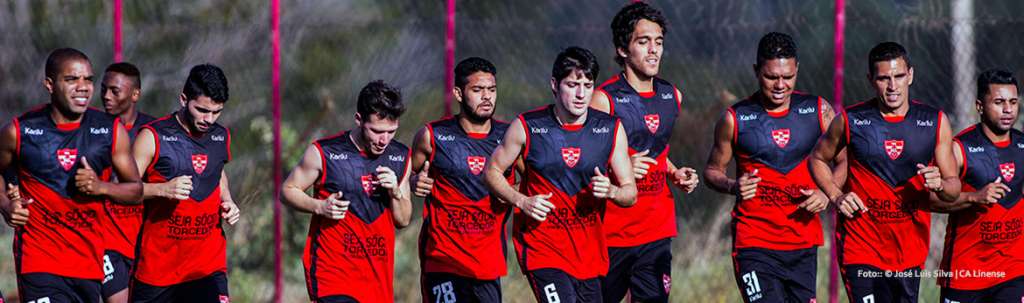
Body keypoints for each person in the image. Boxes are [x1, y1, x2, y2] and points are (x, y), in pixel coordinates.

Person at [808, 41, 960, 302]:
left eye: (898, 76)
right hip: (861, 247)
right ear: (871, 80)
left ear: (910, 75)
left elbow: (953, 188)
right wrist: (835, 195)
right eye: (883, 79)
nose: (892, 86)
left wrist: (941, 185)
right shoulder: (851, 120)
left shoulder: (934, 122)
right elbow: (818, 158)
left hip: (909, 251)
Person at [484, 46, 637, 303]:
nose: (581, 94)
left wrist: (612, 191)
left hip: (589, 255)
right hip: (543, 250)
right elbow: (491, 171)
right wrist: (522, 201)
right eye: (573, 85)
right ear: (555, 85)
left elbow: (630, 193)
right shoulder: (528, 126)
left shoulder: (610, 129)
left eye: (587, 85)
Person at [703, 32, 838, 303]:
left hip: (803, 243)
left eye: (788, 77)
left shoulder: (818, 111)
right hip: (754, 243)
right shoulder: (735, 119)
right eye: (771, 77)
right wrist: (732, 185)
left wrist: (827, 193)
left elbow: (845, 162)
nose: (780, 85)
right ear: (756, 71)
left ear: (797, 69)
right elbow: (712, 171)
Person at [0, 48, 143, 303]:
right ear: (49, 84)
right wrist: (5, 204)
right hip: (39, 261)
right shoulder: (20, 131)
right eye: (71, 79)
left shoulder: (109, 130)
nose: (83, 87)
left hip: (88, 265)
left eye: (88, 79)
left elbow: (136, 190)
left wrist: (101, 187)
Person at [590, 3, 698, 301]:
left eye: (659, 42)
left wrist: (674, 172)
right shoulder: (604, 100)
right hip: (612, 233)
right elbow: (582, 159)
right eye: (643, 42)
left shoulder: (672, 95)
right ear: (622, 49)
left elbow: (657, 151)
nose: (653, 50)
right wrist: (620, 165)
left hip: (656, 229)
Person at [281, 80, 413, 302]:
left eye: (391, 132)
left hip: (377, 280)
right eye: (376, 131)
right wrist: (319, 206)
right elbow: (287, 190)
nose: (384, 140)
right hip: (332, 276)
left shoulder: (400, 156)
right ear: (359, 119)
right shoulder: (325, 152)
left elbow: (403, 220)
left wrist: (395, 192)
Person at [129, 64, 241, 302]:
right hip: (159, 270)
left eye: (216, 112)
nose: (208, 119)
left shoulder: (221, 136)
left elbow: (217, 171)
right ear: (183, 99)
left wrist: (228, 200)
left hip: (207, 267)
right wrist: (162, 189)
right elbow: (123, 189)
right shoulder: (152, 136)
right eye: (202, 110)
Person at [410, 57, 513, 302]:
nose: (486, 97)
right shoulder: (432, 136)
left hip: (488, 263)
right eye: (477, 90)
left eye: (492, 90)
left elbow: (532, 182)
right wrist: (413, 182)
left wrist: (509, 191)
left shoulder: (510, 137)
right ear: (458, 93)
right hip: (443, 259)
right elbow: (405, 176)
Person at [933, 69, 1024, 302]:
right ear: (980, 106)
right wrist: (974, 197)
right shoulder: (959, 148)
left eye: (1013, 102)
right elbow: (930, 201)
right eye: (999, 102)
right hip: (966, 273)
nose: (1008, 109)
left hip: (1013, 271)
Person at [98, 62, 155, 303]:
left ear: (135, 94)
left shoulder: (153, 131)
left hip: (145, 240)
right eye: (103, 89)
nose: (106, 96)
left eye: (115, 91)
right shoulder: (92, 129)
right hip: (106, 240)